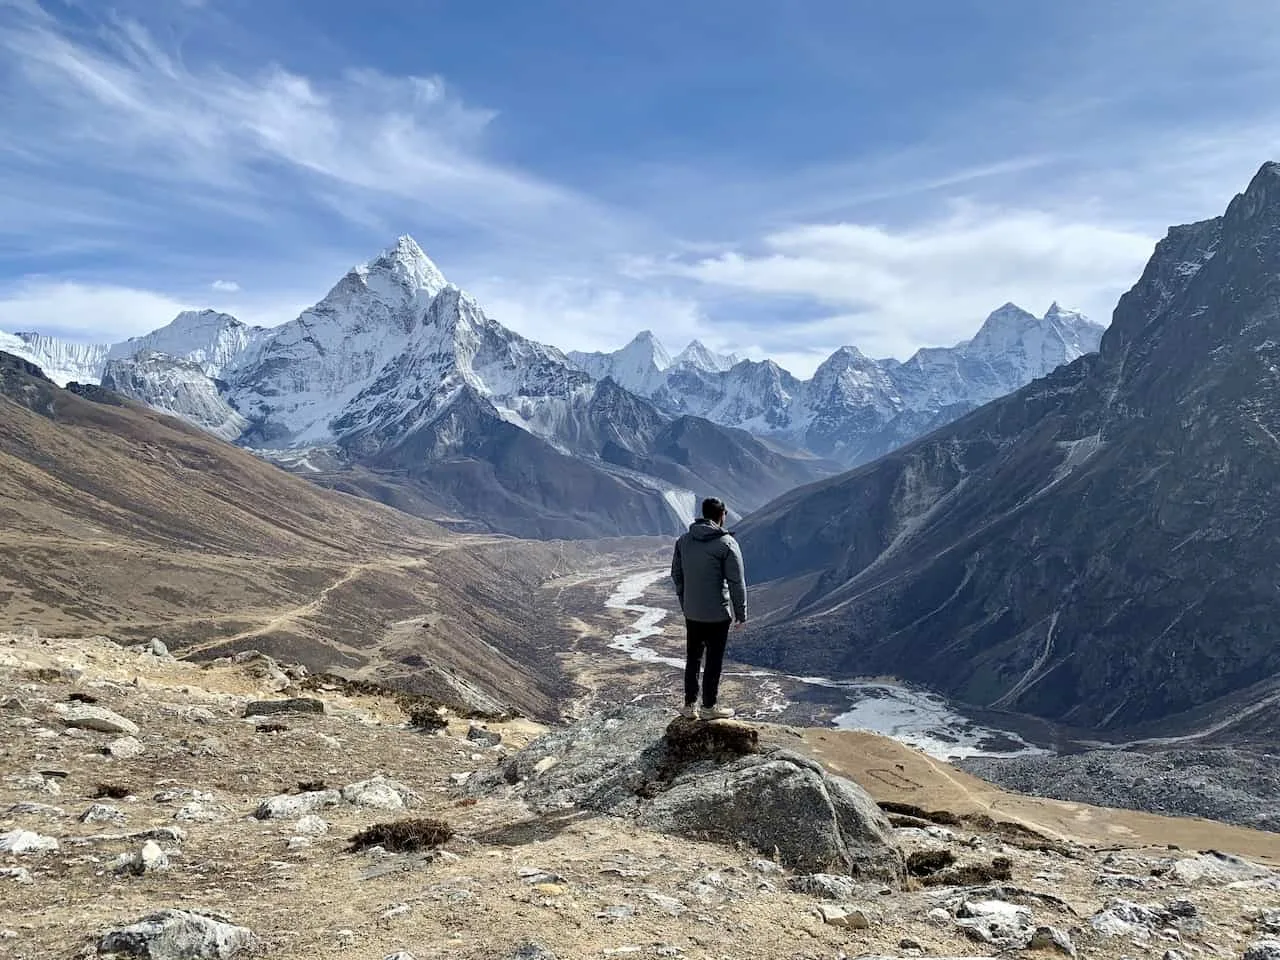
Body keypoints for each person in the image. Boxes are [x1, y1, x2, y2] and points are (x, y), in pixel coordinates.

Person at [670, 497, 747, 720]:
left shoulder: (684, 541)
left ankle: (689, 705)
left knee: (692, 658)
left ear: (703, 514)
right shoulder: (726, 544)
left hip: (692, 612)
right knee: (713, 661)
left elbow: (676, 574)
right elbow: (736, 581)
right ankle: (708, 707)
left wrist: (685, 601)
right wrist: (740, 614)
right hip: (717, 614)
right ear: (722, 515)